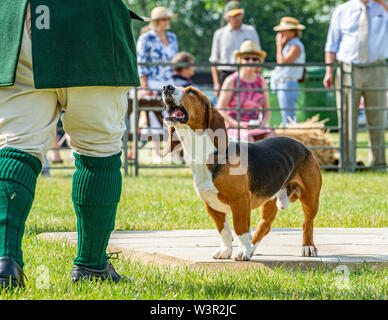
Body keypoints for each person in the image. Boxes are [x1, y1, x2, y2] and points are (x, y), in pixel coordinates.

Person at [0, 1, 143, 289]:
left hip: (18, 20)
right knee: (98, 149)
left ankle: (5, 261)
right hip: (89, 21)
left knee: (16, 145)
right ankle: (91, 265)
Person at [323, 0, 388, 171]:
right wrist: (329, 71)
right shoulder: (342, 10)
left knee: (378, 117)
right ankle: (348, 163)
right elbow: (331, 44)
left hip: (377, 67)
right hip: (347, 69)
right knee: (346, 118)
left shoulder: (383, 8)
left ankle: (379, 164)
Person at [136, 6, 179, 162]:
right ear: (155, 22)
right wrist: (145, 86)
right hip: (153, 82)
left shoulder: (173, 37)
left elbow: (176, 62)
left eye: (167, 19)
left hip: (171, 83)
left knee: (173, 117)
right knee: (154, 119)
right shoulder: (145, 38)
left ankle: (172, 152)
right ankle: (156, 153)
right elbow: (141, 63)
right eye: (163, 19)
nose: (166, 22)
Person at [216, 40, 274, 143]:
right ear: (240, 60)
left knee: (273, 138)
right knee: (249, 141)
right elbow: (220, 109)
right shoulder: (231, 81)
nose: (251, 61)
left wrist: (263, 123)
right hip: (234, 125)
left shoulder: (261, 81)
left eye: (255, 59)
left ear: (259, 61)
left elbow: (267, 109)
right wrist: (237, 124)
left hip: (255, 124)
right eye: (247, 58)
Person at [209, 1, 261, 97]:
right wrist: (216, 84)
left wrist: (258, 79)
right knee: (225, 108)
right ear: (227, 17)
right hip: (225, 74)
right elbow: (214, 61)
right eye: (234, 15)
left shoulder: (251, 31)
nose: (237, 18)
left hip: (247, 73)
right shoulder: (219, 34)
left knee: (247, 105)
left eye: (239, 14)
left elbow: (258, 56)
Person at [271, 17, 306, 126]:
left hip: (288, 83)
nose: (281, 33)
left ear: (292, 32)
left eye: (284, 31)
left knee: (289, 118)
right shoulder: (290, 45)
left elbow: (282, 62)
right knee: (287, 116)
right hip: (285, 83)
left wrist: (279, 45)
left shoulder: (295, 46)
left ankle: (290, 139)